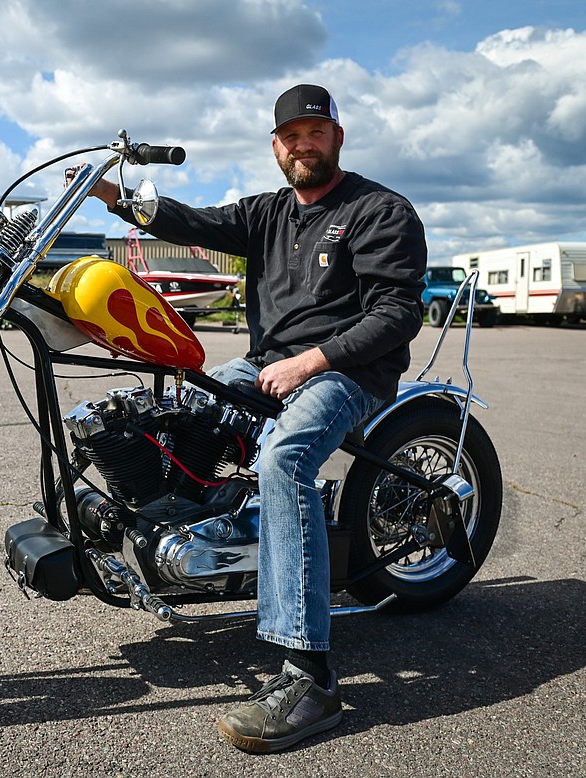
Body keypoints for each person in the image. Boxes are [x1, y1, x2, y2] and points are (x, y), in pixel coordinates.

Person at [88, 84, 427, 753]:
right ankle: (201, 541)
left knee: (284, 461)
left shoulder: (379, 210)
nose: (304, 144)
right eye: (291, 136)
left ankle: (311, 676)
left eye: (316, 132)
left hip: (349, 373)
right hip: (267, 364)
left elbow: (397, 313)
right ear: (277, 147)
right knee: (177, 410)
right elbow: (196, 223)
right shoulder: (269, 213)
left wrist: (312, 362)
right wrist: (114, 199)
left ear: (337, 137)